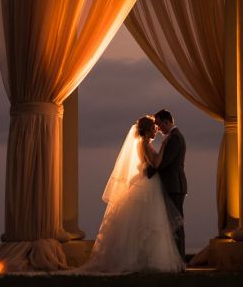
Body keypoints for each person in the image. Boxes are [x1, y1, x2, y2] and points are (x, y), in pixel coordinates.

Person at [78, 114, 185, 273]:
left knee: (147, 225)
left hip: (149, 182)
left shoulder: (144, 143)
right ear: (147, 130)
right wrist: (163, 147)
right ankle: (149, 260)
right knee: (150, 224)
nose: (156, 131)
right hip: (149, 185)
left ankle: (146, 259)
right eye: (154, 128)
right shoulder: (145, 144)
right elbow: (156, 163)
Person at [147, 108, 187, 259]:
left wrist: (147, 174)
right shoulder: (172, 137)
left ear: (166, 122)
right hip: (172, 185)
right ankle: (176, 258)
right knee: (173, 223)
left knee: (176, 224)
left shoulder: (174, 138)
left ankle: (180, 260)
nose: (158, 129)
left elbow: (164, 162)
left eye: (159, 125)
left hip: (174, 186)